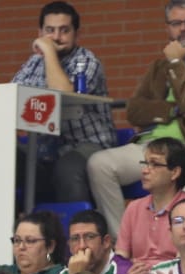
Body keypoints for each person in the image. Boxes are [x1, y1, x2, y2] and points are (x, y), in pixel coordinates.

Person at [85, 0, 185, 236]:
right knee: (99, 164)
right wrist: (175, 110)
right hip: (149, 146)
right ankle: (125, 239)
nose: (183, 29)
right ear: (167, 28)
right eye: (176, 23)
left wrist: (175, 62)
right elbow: (134, 111)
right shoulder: (157, 67)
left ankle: (173, 227)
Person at [11, 2, 114, 204]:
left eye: (64, 30)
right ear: (40, 32)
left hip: (87, 145)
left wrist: (48, 52)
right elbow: (11, 96)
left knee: (67, 167)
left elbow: (62, 93)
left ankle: (76, 231)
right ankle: (16, 227)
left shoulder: (87, 60)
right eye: (50, 31)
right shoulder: (33, 62)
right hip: (43, 150)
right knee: (7, 157)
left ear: (77, 34)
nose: (56, 37)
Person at [111, 140, 185, 274]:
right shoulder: (134, 208)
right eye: (145, 163)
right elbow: (121, 256)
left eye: (154, 164)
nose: (145, 171)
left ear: (175, 172)